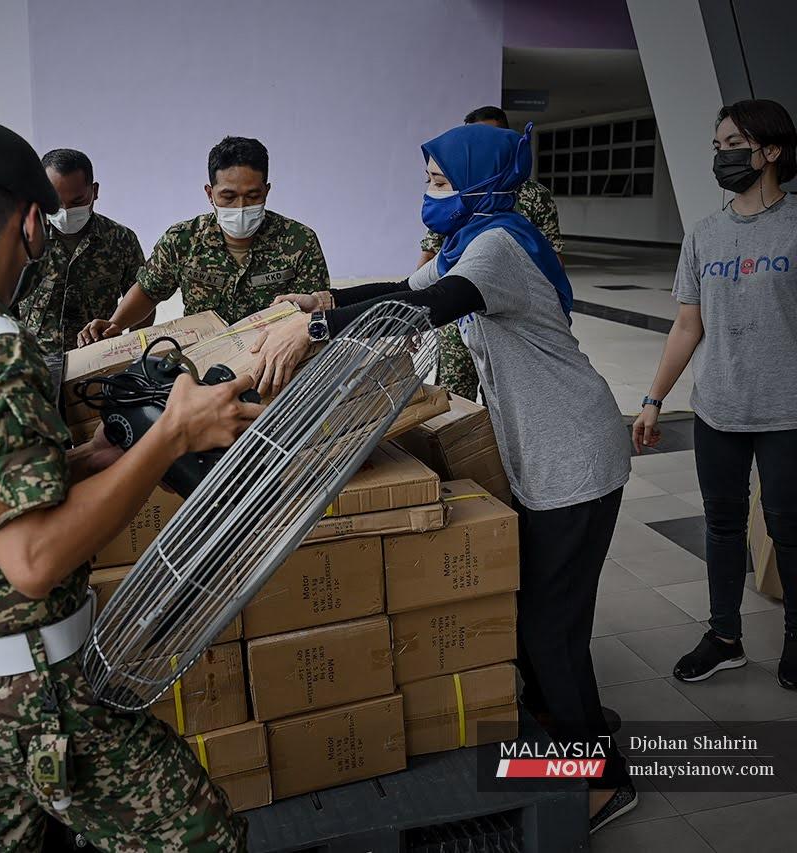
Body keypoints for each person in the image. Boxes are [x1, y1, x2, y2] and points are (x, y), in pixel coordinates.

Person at [0, 116, 255, 851]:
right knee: (204, 837)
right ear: (32, 223)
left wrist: (84, 460)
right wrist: (171, 433)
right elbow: (33, 560)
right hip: (35, 697)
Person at [257, 122, 636, 832]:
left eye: (438, 181)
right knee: (550, 614)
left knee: (547, 628)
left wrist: (312, 333)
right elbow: (404, 285)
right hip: (547, 452)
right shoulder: (474, 237)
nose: (428, 194)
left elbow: (425, 308)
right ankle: (567, 716)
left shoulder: (494, 248)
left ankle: (605, 778)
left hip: (575, 456)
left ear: (479, 182)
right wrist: (321, 301)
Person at [632, 98, 797, 690]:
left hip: (787, 413)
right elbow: (687, 325)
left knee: (788, 527)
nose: (722, 156)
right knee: (721, 526)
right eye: (718, 147)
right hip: (718, 409)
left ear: (770, 152)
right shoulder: (704, 234)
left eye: (733, 145)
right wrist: (654, 399)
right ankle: (724, 637)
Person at [78, 135, 329, 346]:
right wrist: (114, 324)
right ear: (210, 193)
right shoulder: (183, 240)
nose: (240, 207)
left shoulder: (299, 242)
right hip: (202, 362)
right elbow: (148, 291)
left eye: (253, 196)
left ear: (267, 190)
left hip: (274, 359)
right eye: (228, 196)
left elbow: (316, 311)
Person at [417, 106, 564, 402]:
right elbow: (431, 257)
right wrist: (418, 313)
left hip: (505, 323)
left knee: (503, 401)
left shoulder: (516, 214)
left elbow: (552, 258)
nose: (433, 189)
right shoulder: (458, 197)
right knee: (456, 401)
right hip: (458, 320)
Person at [15, 148, 152, 374]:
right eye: (56, 202)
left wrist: (134, 360)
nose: (66, 211)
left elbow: (143, 299)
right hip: (36, 364)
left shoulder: (120, 240)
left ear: (94, 191)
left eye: (78, 200)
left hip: (98, 361)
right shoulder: (25, 239)